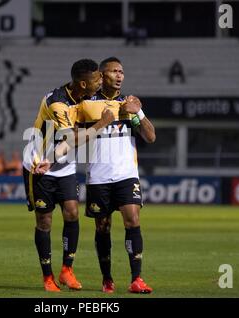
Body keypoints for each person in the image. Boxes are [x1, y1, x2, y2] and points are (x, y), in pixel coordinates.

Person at [22, 59, 114, 292]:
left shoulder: (86, 97)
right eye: (97, 79)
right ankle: (47, 276)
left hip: (64, 165)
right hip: (39, 164)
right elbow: (72, 140)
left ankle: (67, 270)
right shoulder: (57, 103)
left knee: (72, 213)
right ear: (83, 84)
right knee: (45, 221)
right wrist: (102, 123)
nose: (101, 81)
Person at [77, 57, 156, 293]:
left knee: (132, 219)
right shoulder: (86, 104)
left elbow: (150, 137)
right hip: (98, 177)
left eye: (122, 71)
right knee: (103, 227)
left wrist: (139, 113)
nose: (120, 75)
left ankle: (136, 278)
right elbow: (76, 140)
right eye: (114, 71)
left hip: (126, 174)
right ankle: (107, 278)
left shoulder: (130, 103)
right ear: (101, 76)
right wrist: (100, 123)